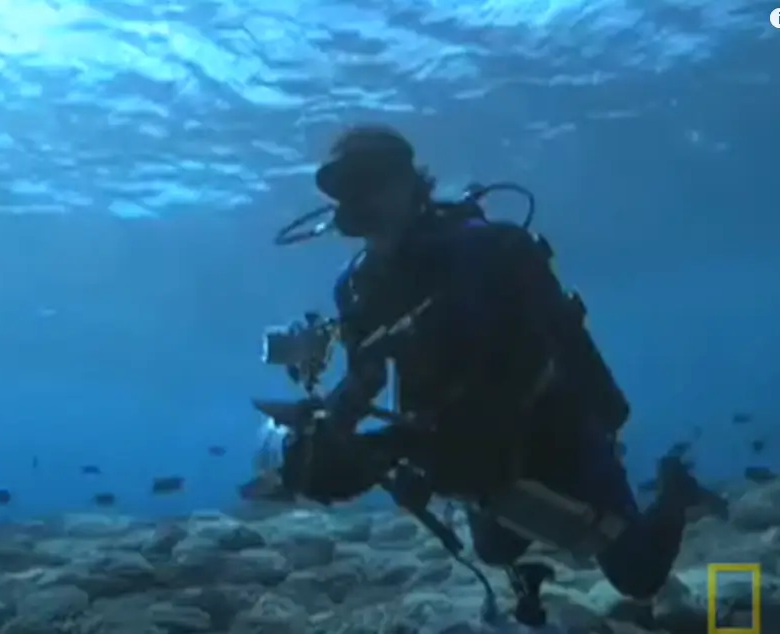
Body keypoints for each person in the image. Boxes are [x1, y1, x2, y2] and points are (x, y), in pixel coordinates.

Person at [261, 124, 718, 605]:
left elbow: (545, 347)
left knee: (637, 575)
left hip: (550, 425)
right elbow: (366, 373)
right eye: (344, 186)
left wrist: (432, 439)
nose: (357, 198)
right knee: (497, 548)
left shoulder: (492, 249)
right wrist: (331, 433)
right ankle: (530, 558)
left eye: (370, 180)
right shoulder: (356, 287)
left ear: (408, 183)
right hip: (458, 447)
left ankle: (676, 489)